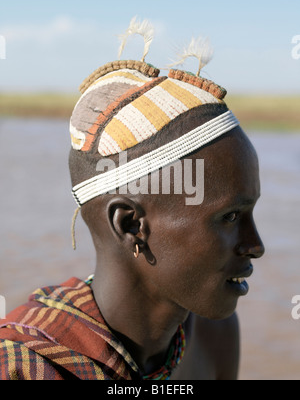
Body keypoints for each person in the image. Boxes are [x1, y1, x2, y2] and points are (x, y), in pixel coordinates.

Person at [0, 19, 265, 380]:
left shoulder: (212, 334)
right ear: (131, 225)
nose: (255, 245)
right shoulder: (26, 368)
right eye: (230, 217)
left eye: (249, 213)